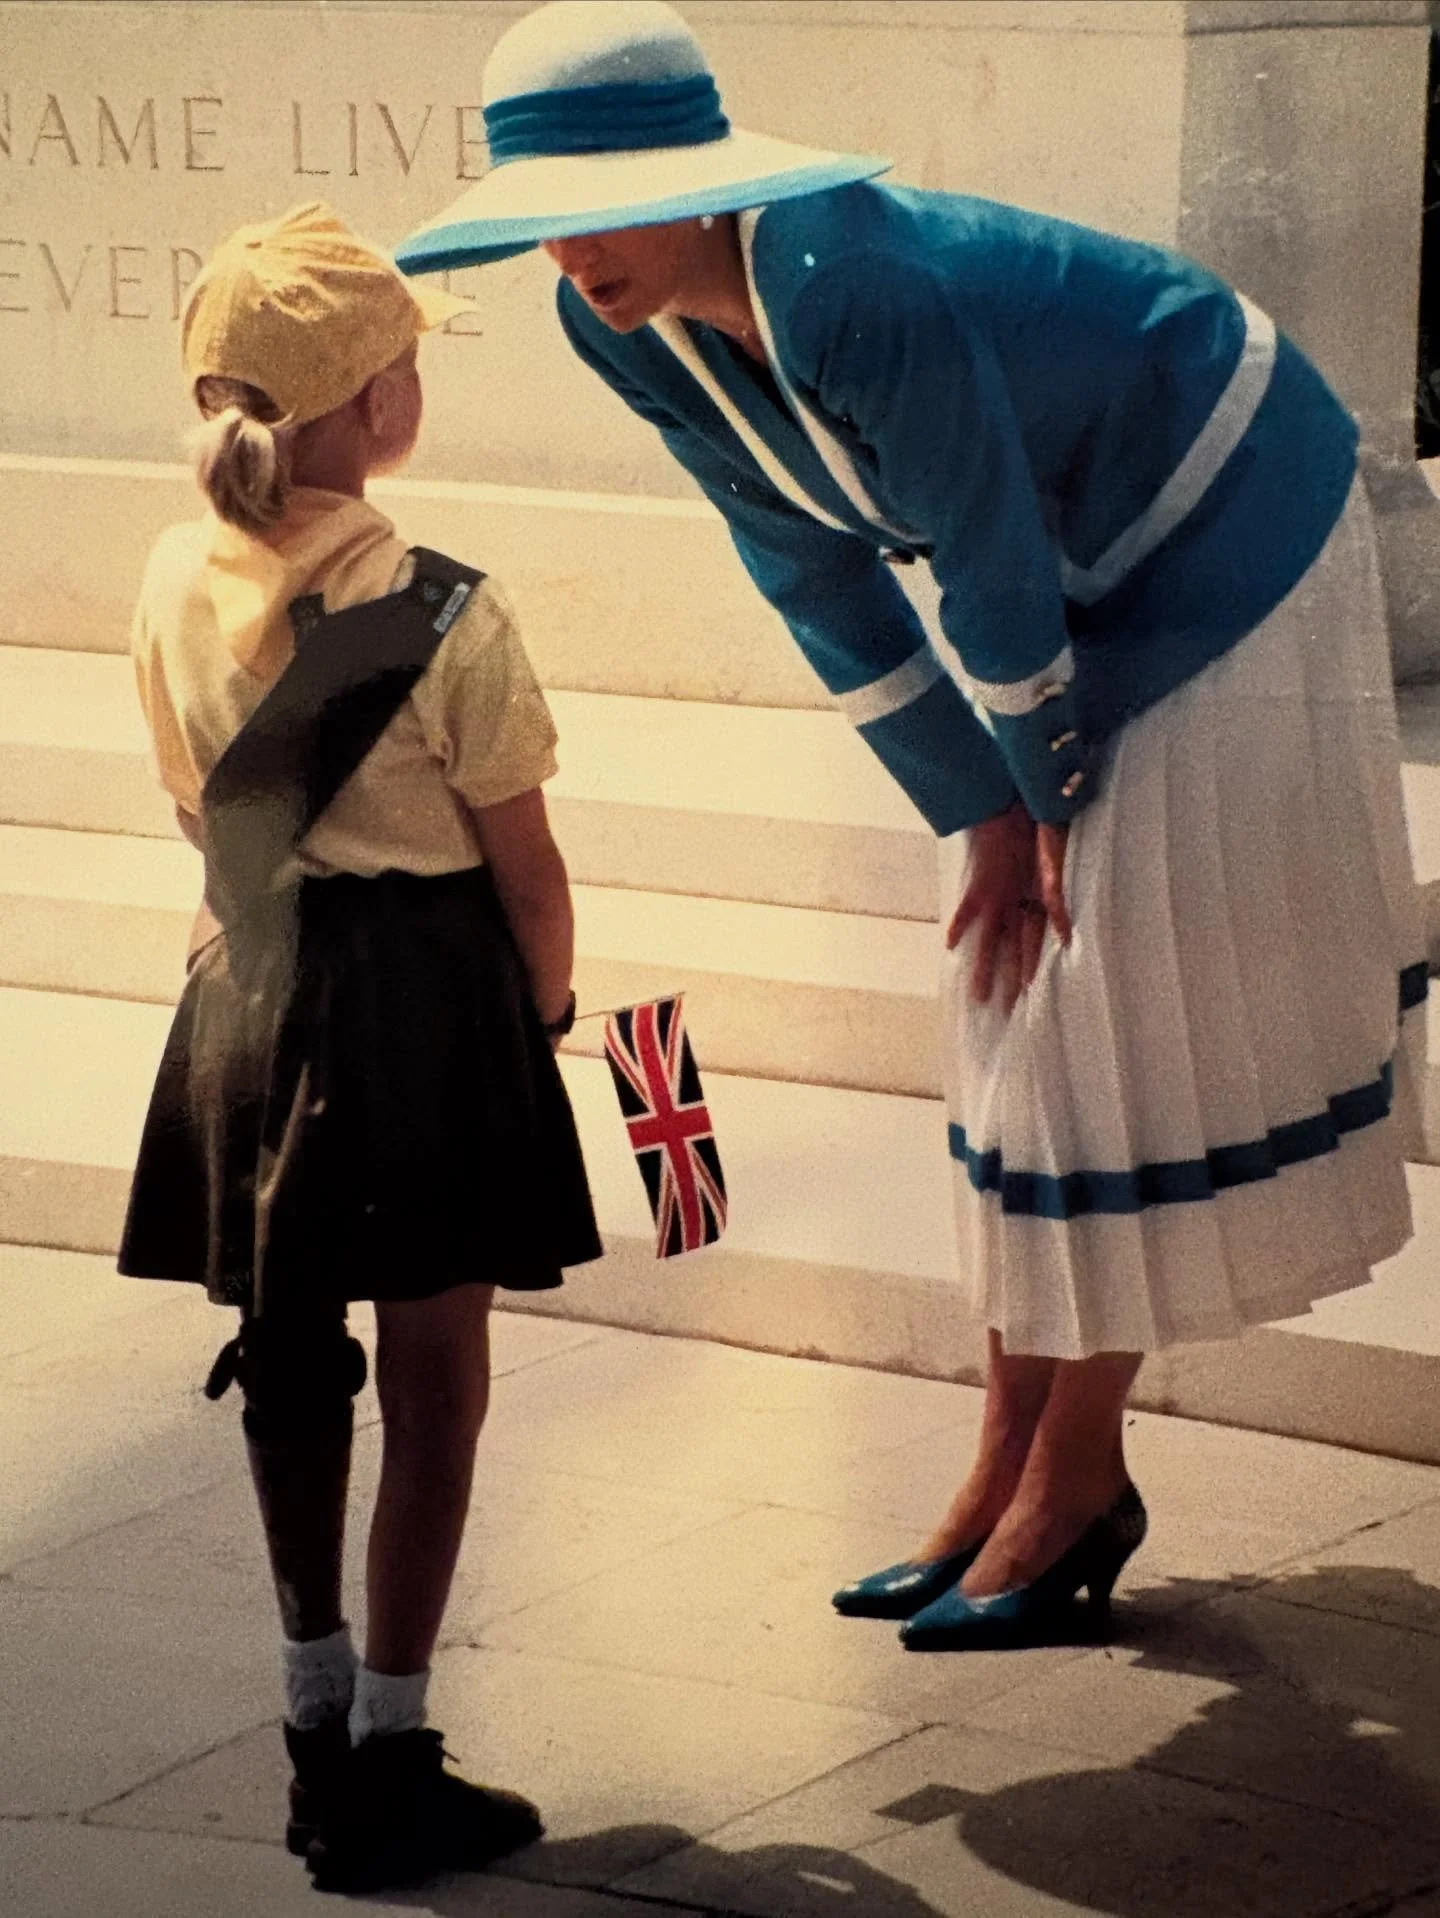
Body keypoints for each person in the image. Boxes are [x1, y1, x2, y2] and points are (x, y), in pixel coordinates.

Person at [395, 1, 1429, 1652]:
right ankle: (1005, 1459)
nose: (575, 245)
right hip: (1074, 561)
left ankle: (1075, 1472)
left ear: (700, 178)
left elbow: (990, 562)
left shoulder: (847, 280)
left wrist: (1039, 801)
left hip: (1228, 505)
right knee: (1013, 1010)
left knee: (1105, 1008)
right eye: (548, 214)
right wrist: (982, 810)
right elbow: (810, 573)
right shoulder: (620, 319)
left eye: (611, 194)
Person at [117, 201, 601, 1890]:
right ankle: (392, 1746)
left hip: (245, 995)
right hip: (418, 1012)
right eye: (403, 358)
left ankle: (311, 1725)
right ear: (369, 404)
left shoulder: (174, 571)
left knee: (290, 1365)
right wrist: (545, 1017)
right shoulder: (441, 609)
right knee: (439, 1386)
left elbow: (198, 816)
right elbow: (529, 871)